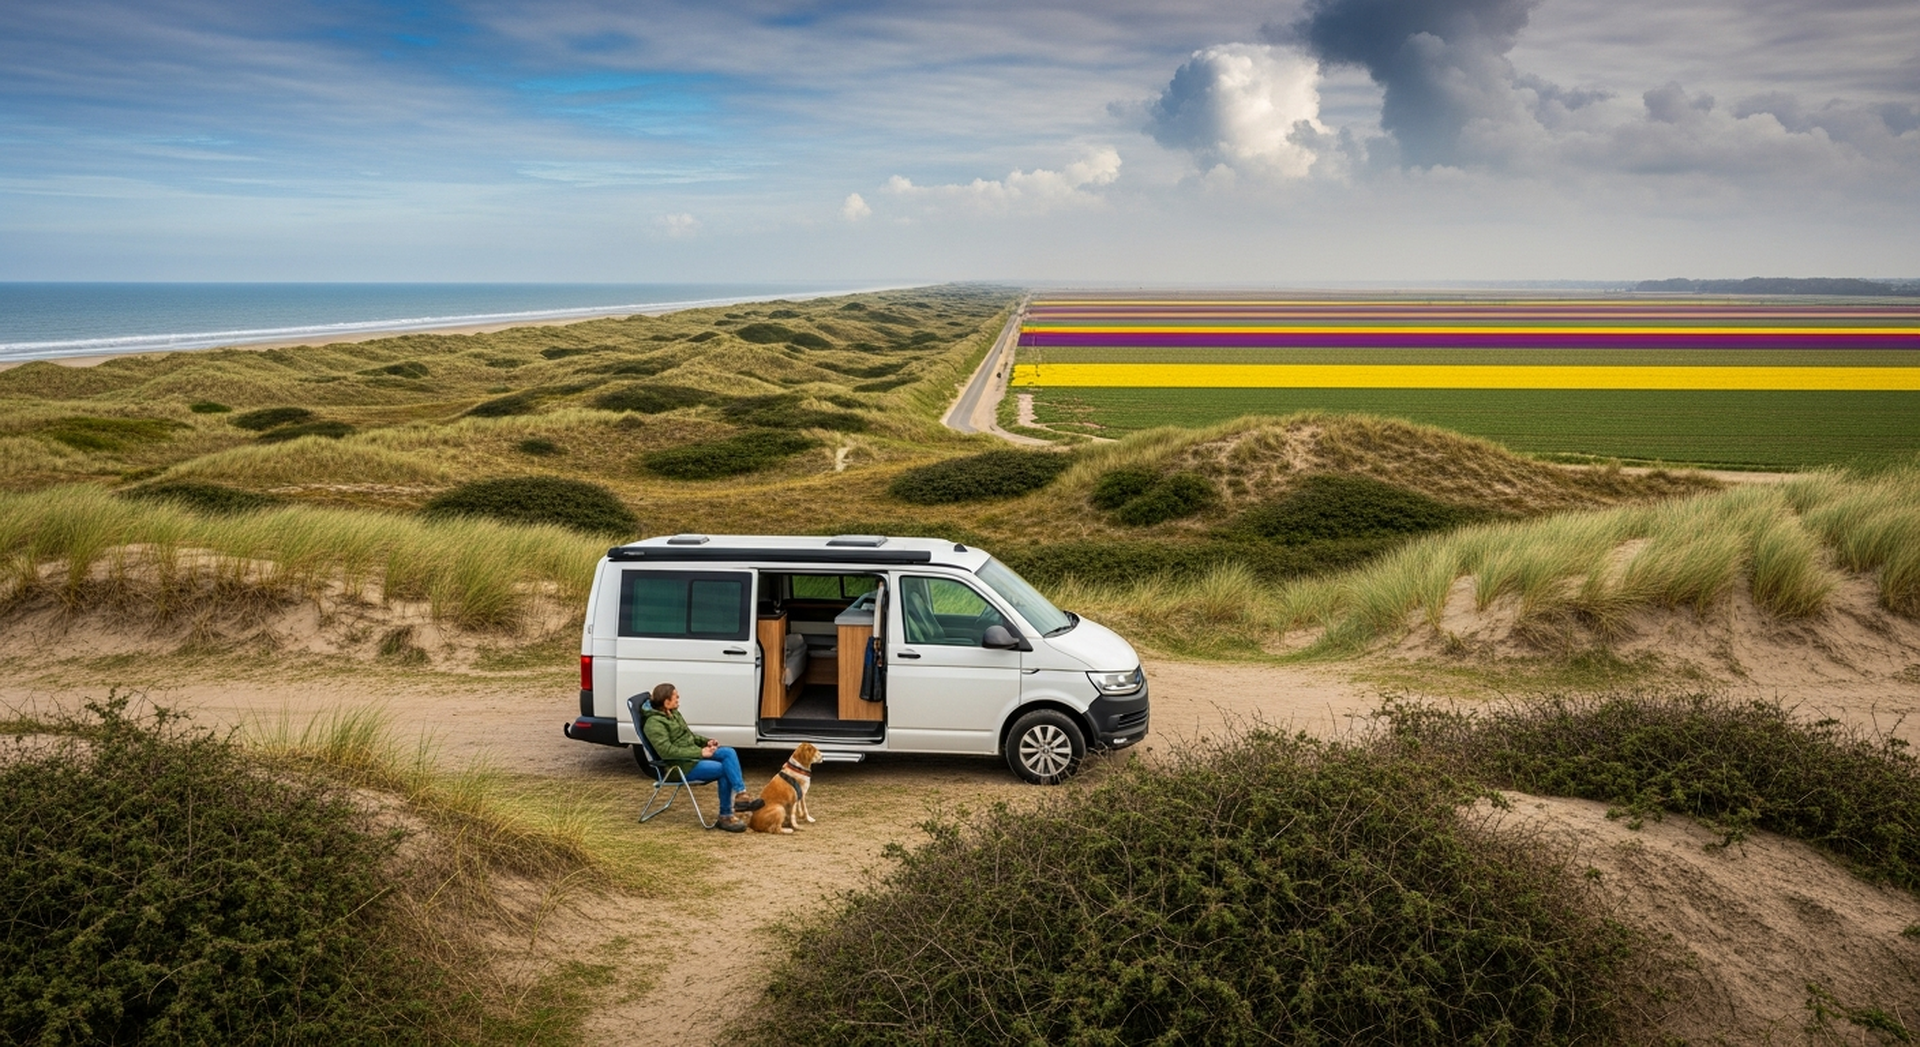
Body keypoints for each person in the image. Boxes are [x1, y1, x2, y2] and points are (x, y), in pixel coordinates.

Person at [638, 681, 762, 832]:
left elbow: (688, 736)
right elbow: (667, 752)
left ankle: (742, 795)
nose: (678, 699)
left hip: (691, 755)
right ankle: (725, 816)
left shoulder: (673, 713)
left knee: (728, 752)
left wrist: (706, 742)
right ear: (666, 702)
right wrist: (700, 753)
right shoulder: (653, 724)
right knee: (724, 769)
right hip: (679, 766)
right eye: (676, 696)